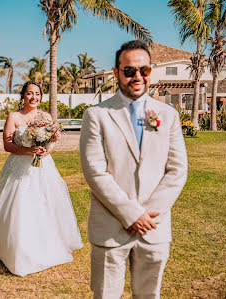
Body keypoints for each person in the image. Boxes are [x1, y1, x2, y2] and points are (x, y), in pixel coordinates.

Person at [80, 40, 188, 298]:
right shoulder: (96, 115)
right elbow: (94, 171)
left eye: (144, 70)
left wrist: (148, 215)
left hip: (154, 228)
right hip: (111, 229)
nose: (137, 77)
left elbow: (177, 170)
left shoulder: (168, 114)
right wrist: (131, 214)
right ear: (116, 73)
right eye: (129, 71)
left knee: (149, 295)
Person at [0, 81, 83, 277]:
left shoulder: (46, 116)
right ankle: (15, 247)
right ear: (23, 96)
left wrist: (45, 151)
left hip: (43, 166)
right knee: (20, 205)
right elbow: (7, 145)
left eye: (37, 94)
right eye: (29, 93)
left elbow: (52, 141)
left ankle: (47, 242)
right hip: (18, 167)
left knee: (46, 204)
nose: (34, 97)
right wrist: (28, 150)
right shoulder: (14, 117)